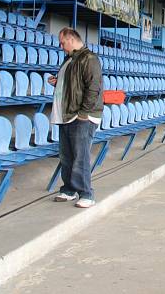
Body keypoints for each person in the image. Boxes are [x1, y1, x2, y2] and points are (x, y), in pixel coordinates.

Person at [48, 27, 103, 208]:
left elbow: (93, 88)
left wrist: (83, 114)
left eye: (62, 42)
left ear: (71, 39)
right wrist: (58, 82)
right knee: (67, 156)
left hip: (81, 116)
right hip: (66, 115)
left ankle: (86, 193)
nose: (61, 46)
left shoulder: (89, 59)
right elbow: (74, 85)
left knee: (80, 156)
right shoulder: (70, 60)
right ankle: (69, 189)